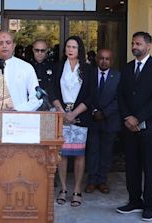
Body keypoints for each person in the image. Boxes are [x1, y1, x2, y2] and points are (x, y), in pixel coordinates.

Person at [116, 32, 152, 222]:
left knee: (149, 167)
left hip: (150, 128)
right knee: (132, 166)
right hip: (129, 128)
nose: (134, 46)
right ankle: (134, 201)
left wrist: (137, 118)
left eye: (138, 43)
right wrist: (127, 118)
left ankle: (149, 205)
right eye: (132, 43)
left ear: (148, 46)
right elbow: (120, 95)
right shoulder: (128, 67)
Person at [51, 36, 92, 207]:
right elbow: (52, 90)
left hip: (80, 115)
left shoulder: (88, 69)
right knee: (63, 154)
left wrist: (74, 113)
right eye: (68, 46)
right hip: (61, 115)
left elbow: (91, 95)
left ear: (79, 50)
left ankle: (76, 190)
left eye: (74, 47)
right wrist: (62, 112)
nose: (70, 49)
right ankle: (63, 189)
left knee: (79, 155)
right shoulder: (58, 67)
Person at [85, 49, 120, 194]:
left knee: (106, 152)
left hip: (109, 120)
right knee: (92, 151)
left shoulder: (118, 76)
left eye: (107, 59)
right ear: (96, 59)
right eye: (101, 58)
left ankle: (102, 180)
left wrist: (104, 113)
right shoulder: (89, 74)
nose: (104, 61)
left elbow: (120, 99)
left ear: (112, 61)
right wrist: (94, 111)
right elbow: (85, 95)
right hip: (92, 119)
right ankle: (92, 181)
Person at [29, 39, 57, 104]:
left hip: (49, 103)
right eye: (37, 50)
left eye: (42, 50)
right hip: (30, 103)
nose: (39, 53)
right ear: (33, 50)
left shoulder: (53, 66)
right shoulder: (27, 66)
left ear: (47, 50)